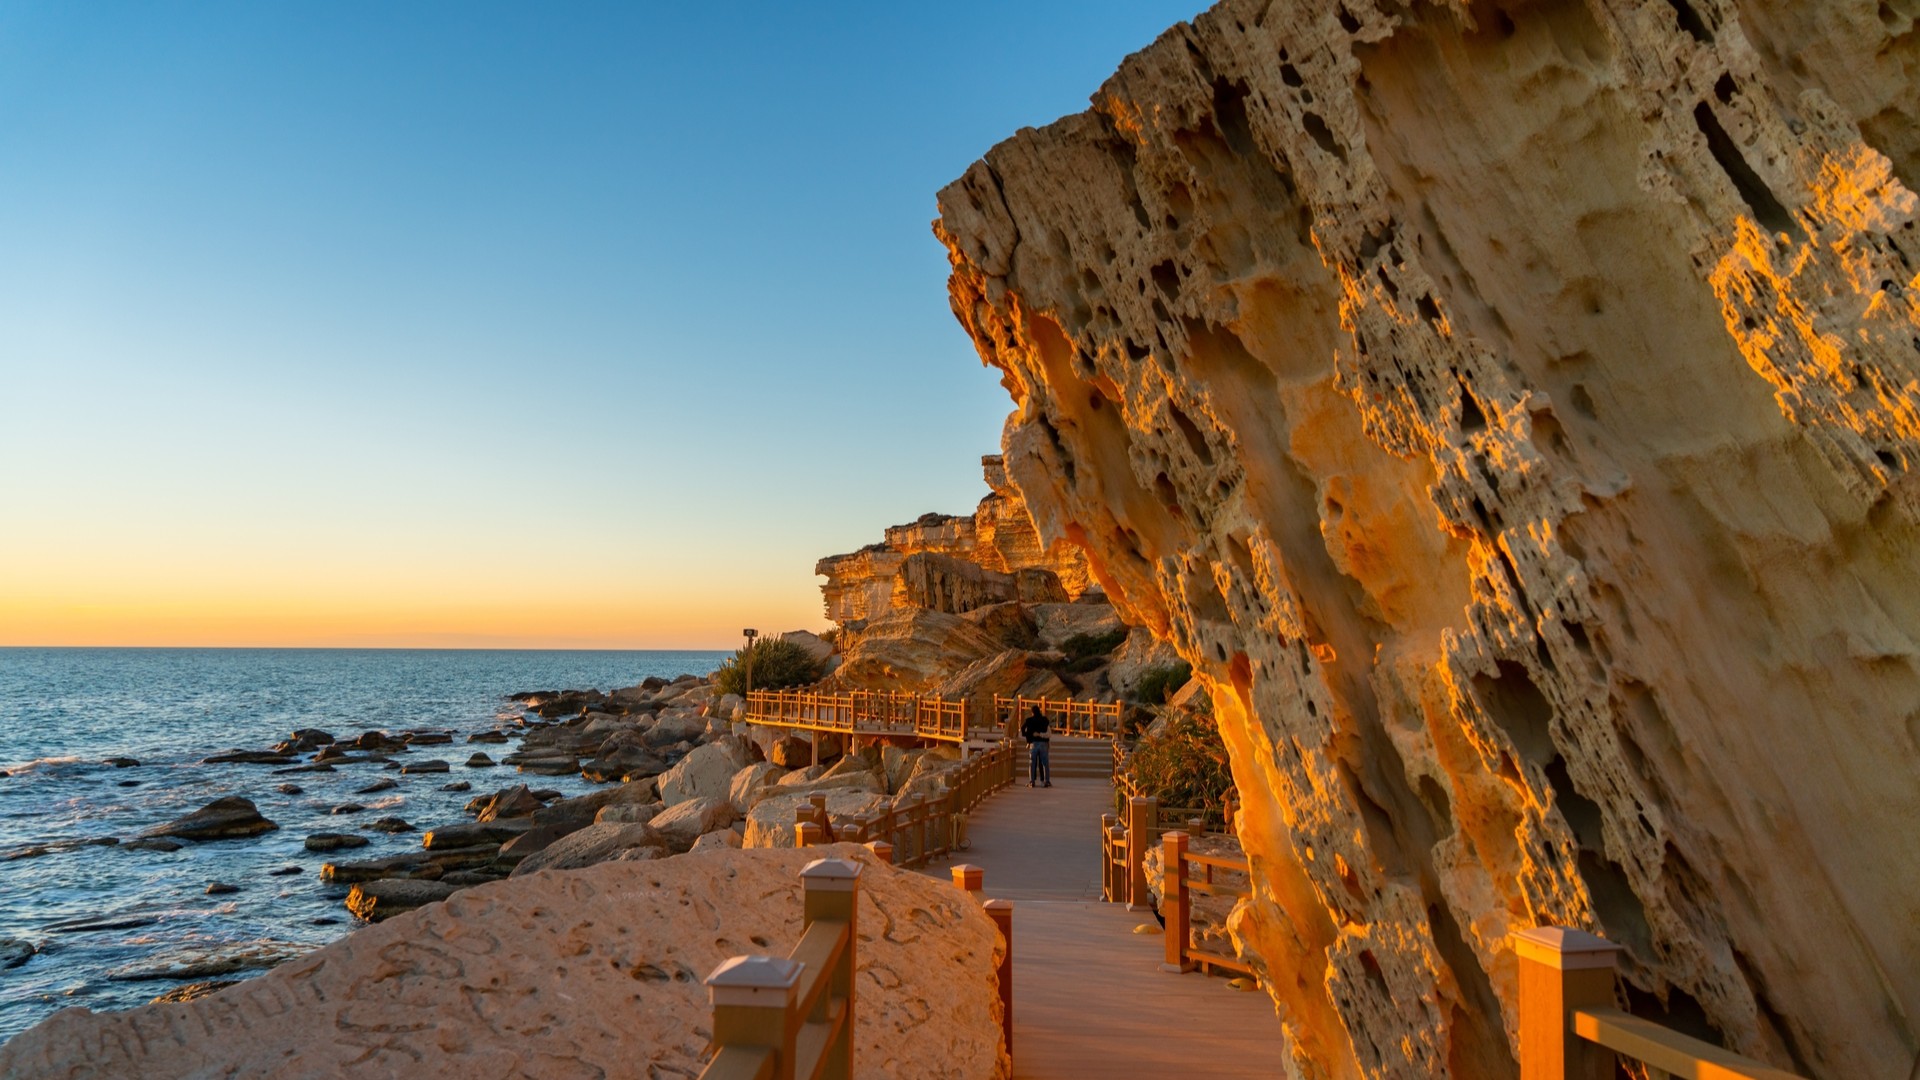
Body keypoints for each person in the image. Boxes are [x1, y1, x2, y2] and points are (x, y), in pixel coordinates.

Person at [1020, 704, 1052, 787]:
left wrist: (1028, 735)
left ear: (1032, 712)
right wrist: (1040, 734)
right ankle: (1046, 781)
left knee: (1032, 763)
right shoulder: (1045, 720)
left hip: (1033, 744)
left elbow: (1022, 729)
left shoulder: (1029, 720)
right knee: (1045, 763)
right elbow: (1049, 733)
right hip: (1044, 744)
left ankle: (1032, 782)